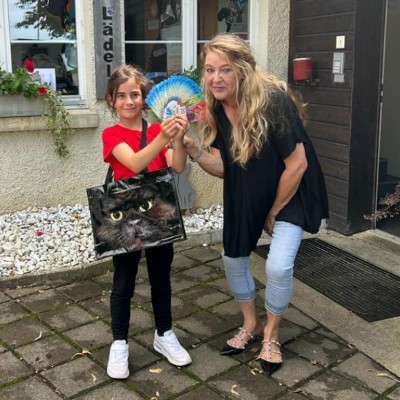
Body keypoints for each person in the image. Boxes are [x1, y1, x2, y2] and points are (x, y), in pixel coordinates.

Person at [183, 34, 329, 375]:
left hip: (290, 190)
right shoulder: (217, 108)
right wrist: (193, 149)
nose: (216, 78)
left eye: (225, 70)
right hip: (247, 190)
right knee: (232, 258)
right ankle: (251, 323)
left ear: (243, 70)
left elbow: (298, 164)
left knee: (278, 266)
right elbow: (225, 167)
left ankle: (272, 333)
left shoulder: (272, 101)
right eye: (209, 70)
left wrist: (273, 211)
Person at [102, 64, 192, 379]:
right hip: (126, 218)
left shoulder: (155, 130)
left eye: (135, 95)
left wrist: (178, 139)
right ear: (111, 100)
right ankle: (119, 343)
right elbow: (135, 161)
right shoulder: (111, 134)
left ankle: (164, 334)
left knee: (161, 278)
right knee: (123, 282)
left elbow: (177, 166)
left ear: (144, 97)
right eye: (121, 96)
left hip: (158, 214)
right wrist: (163, 136)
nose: (129, 101)